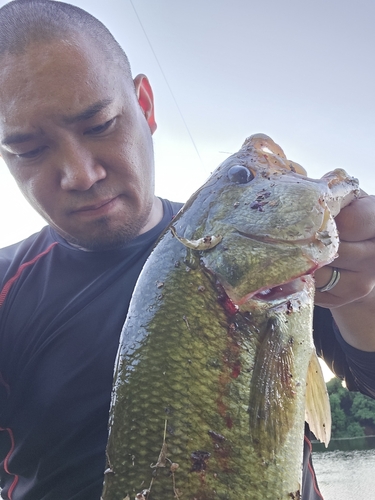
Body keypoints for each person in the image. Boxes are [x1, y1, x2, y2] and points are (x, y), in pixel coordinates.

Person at [0, 1, 374, 499]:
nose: (81, 174)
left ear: (145, 107)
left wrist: (362, 294)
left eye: (99, 125)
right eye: (28, 150)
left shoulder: (263, 257)